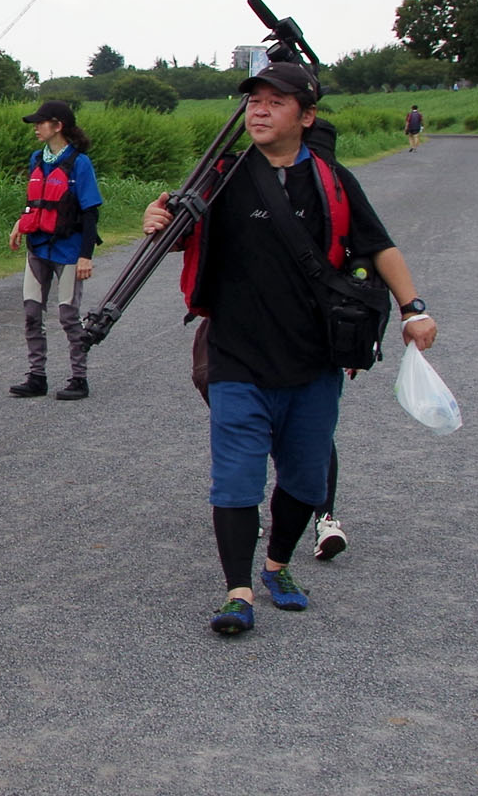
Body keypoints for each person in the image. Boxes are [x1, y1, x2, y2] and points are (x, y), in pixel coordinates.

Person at [141, 59, 437, 636]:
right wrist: (156, 217)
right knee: (235, 479)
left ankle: (278, 566)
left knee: (304, 478)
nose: (259, 109)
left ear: (306, 115)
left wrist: (414, 309)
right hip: (237, 354)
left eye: (276, 102)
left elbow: (379, 247)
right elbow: (175, 227)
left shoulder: (333, 182)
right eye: (254, 100)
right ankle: (238, 591)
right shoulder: (220, 177)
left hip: (313, 358)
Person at [6, 99, 101, 402]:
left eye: (41, 123)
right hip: (38, 247)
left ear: (58, 126)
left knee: (68, 316)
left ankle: (79, 378)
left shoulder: (80, 163)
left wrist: (86, 256)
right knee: (32, 312)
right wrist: (20, 224)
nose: (36, 128)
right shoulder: (37, 159)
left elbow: (90, 212)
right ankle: (37, 377)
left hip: (69, 251)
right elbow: (34, 201)